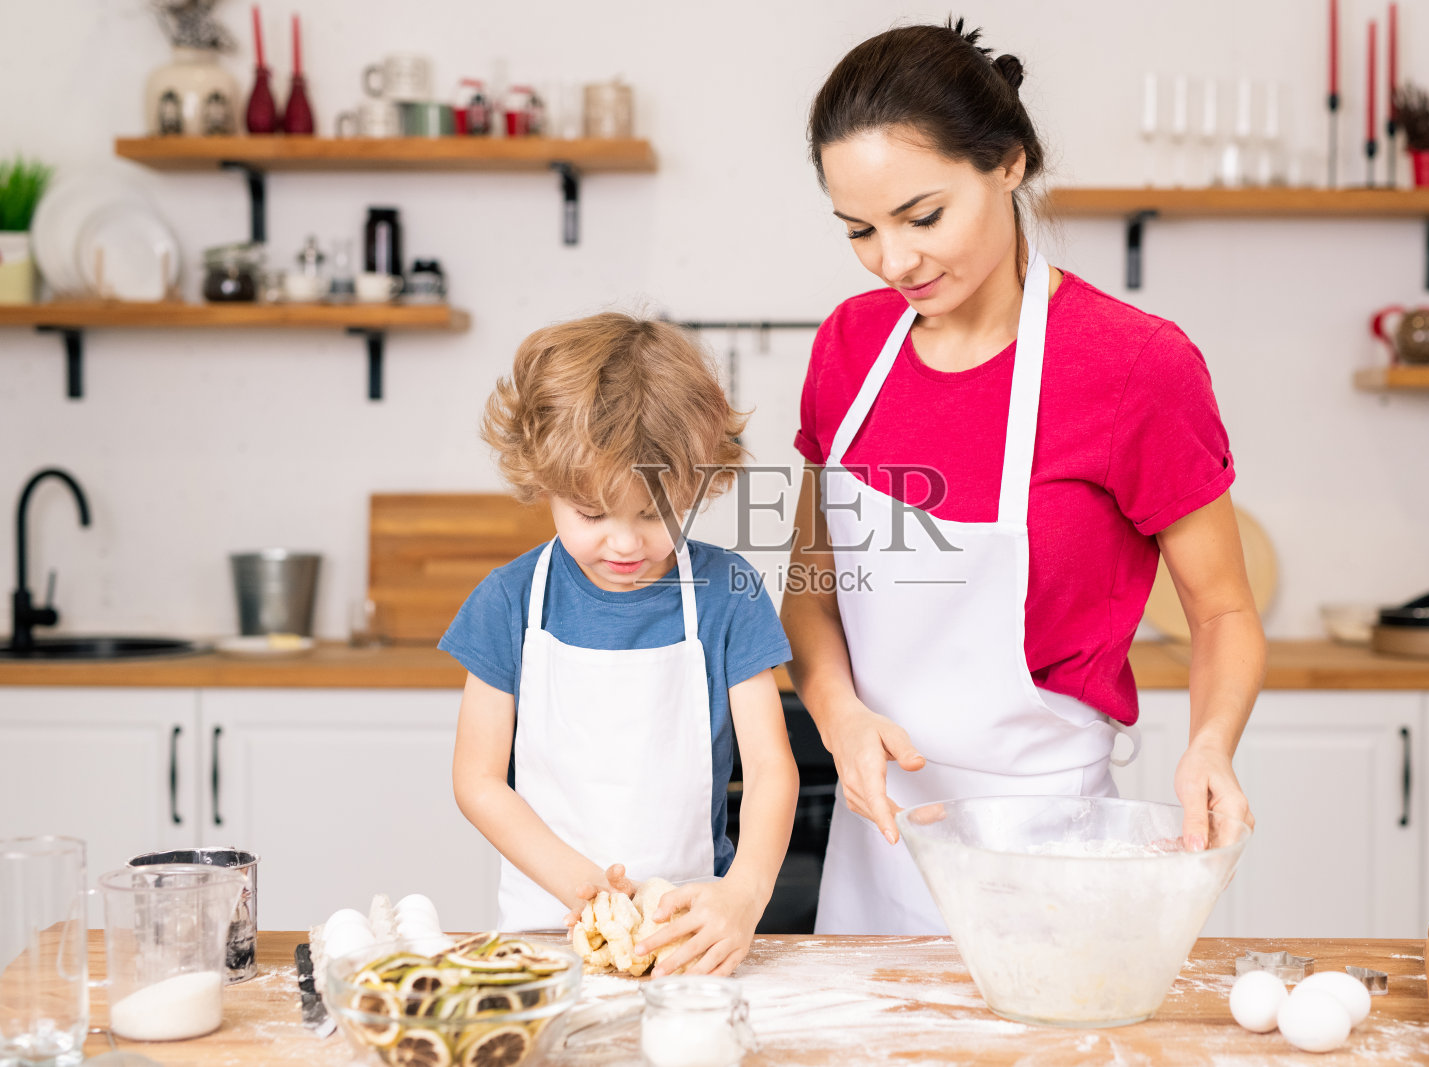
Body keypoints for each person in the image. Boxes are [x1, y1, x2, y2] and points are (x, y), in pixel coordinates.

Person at [781, 19, 1265, 935]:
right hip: (878, 837)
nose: (895, 261)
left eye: (923, 216)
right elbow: (812, 586)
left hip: (1051, 853)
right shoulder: (849, 349)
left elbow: (1224, 611)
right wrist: (840, 714)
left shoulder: (1135, 365)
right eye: (860, 231)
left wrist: (1211, 743)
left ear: (1009, 163)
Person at [445, 312, 799, 975]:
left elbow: (772, 770)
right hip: (546, 935)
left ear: (699, 483)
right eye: (592, 513)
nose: (627, 542)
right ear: (543, 482)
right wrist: (582, 887)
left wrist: (744, 894)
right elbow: (478, 778)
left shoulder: (728, 592)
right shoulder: (509, 600)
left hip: (690, 937)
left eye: (655, 512)